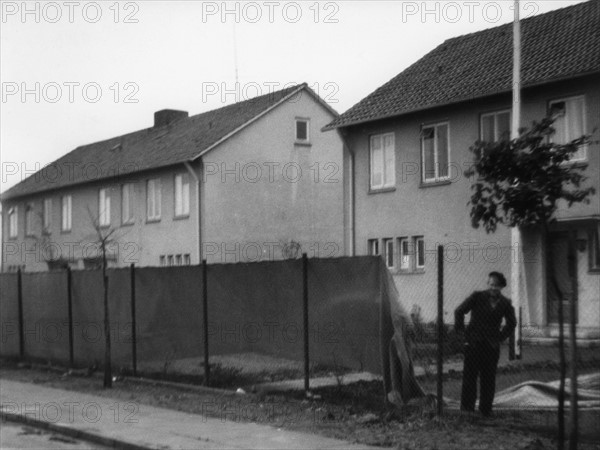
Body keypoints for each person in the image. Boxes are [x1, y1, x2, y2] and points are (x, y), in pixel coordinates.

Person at [454, 271, 516, 417]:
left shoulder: (506, 304)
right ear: (488, 284)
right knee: (470, 377)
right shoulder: (477, 297)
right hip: (473, 344)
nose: (493, 288)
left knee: (489, 379)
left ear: (501, 286)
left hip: (491, 347)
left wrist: (500, 337)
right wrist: (464, 335)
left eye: (497, 285)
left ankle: (485, 410)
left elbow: (512, 323)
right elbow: (459, 312)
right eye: (491, 284)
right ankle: (467, 410)